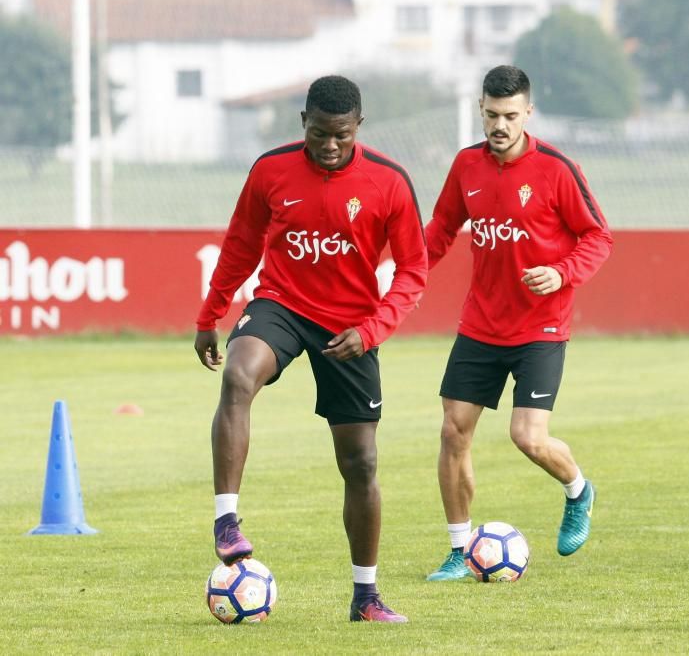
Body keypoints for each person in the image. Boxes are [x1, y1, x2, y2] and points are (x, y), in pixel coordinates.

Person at [194, 75, 428, 623]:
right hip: (281, 305)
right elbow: (240, 244)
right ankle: (227, 522)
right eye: (320, 133)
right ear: (302, 121)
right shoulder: (271, 169)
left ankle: (366, 597)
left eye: (341, 136)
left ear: (358, 129)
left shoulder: (389, 182)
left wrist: (372, 330)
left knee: (361, 463)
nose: (329, 145)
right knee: (237, 376)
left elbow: (414, 270)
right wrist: (211, 314)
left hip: (350, 326)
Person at [422, 65, 613, 581]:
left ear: (528, 112)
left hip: (541, 328)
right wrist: (405, 270)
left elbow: (598, 236)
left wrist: (562, 271)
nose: (499, 125)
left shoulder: (556, 168)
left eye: (509, 115)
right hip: (480, 324)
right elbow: (441, 228)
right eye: (490, 115)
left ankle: (578, 489)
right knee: (452, 432)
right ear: (480, 111)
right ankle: (460, 552)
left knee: (527, 437)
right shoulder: (466, 165)